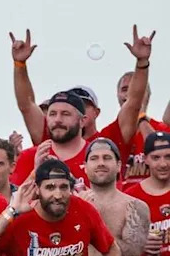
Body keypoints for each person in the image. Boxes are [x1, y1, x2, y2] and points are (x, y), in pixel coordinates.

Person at [10, 27, 152, 161]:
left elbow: (133, 103)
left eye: (83, 106)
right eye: (55, 113)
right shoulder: (52, 137)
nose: (59, 118)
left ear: (96, 112)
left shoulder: (108, 141)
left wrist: (142, 63)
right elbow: (27, 105)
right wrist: (19, 65)